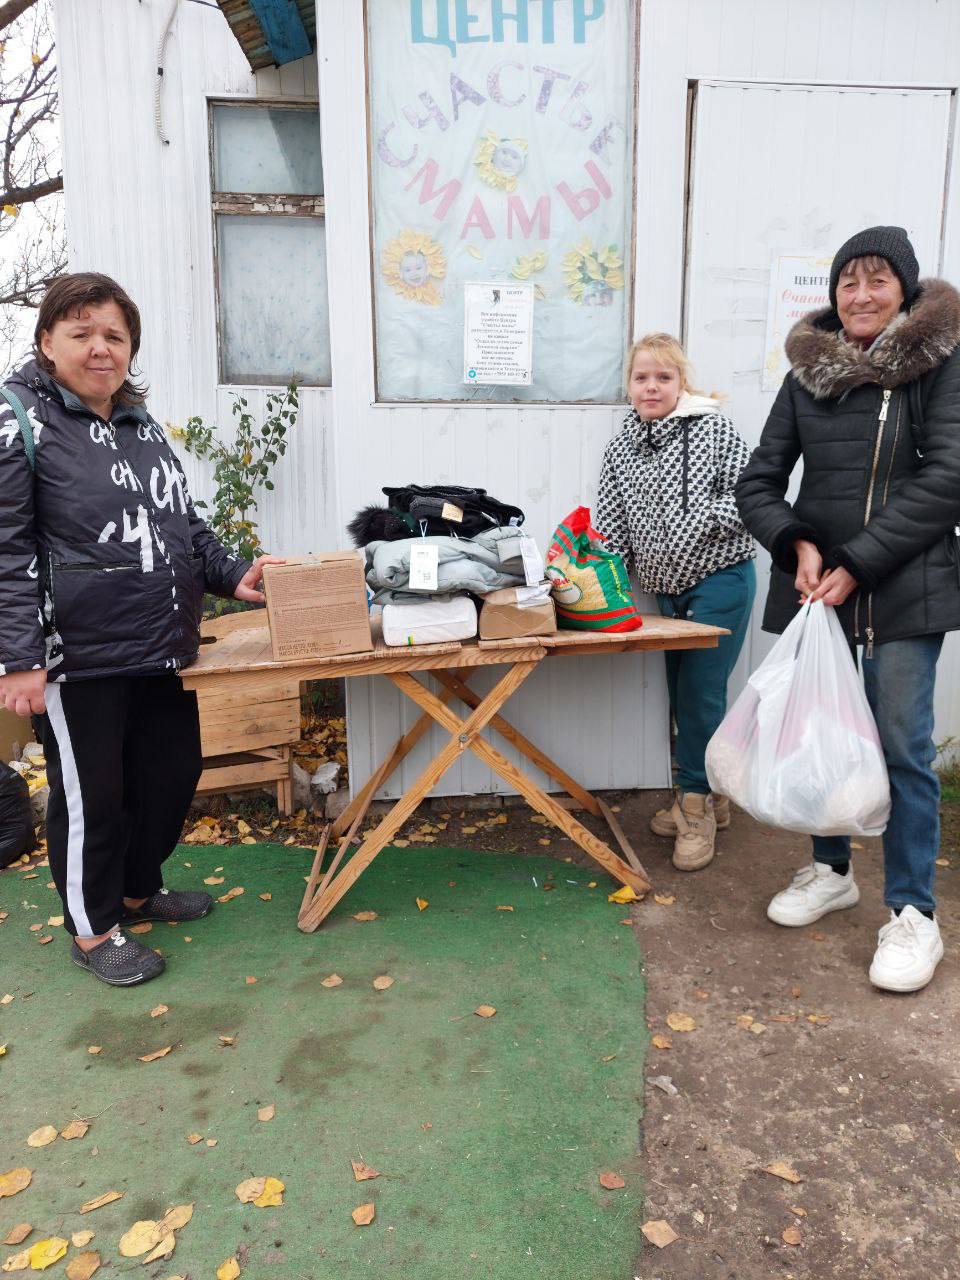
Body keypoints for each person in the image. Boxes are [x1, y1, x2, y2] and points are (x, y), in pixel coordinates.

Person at [0, 272, 280, 986]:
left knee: (169, 773)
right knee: (94, 794)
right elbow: (4, 549)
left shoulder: (140, 425)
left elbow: (180, 521)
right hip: (77, 652)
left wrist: (232, 573)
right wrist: (18, 658)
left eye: (114, 336)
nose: (101, 348)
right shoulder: (20, 421)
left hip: (158, 643)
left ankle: (135, 890)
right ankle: (94, 933)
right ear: (46, 341)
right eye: (82, 332)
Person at [736, 225, 960, 993]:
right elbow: (759, 481)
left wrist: (860, 561)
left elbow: (949, 479)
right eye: (847, 284)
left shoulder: (939, 363)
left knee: (902, 744)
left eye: (877, 282)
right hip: (818, 588)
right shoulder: (808, 375)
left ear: (904, 289)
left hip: (905, 585)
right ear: (833, 296)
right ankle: (831, 871)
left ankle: (912, 914)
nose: (860, 296)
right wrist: (795, 542)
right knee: (821, 734)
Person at [595, 333, 756, 870]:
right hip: (665, 591)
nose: (651, 386)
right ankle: (713, 792)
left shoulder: (712, 428)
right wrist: (592, 579)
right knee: (680, 692)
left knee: (701, 694)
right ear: (630, 385)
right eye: (642, 377)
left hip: (720, 577)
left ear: (681, 382)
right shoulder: (620, 448)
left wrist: (697, 524)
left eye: (663, 377)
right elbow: (613, 526)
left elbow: (753, 496)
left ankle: (694, 807)